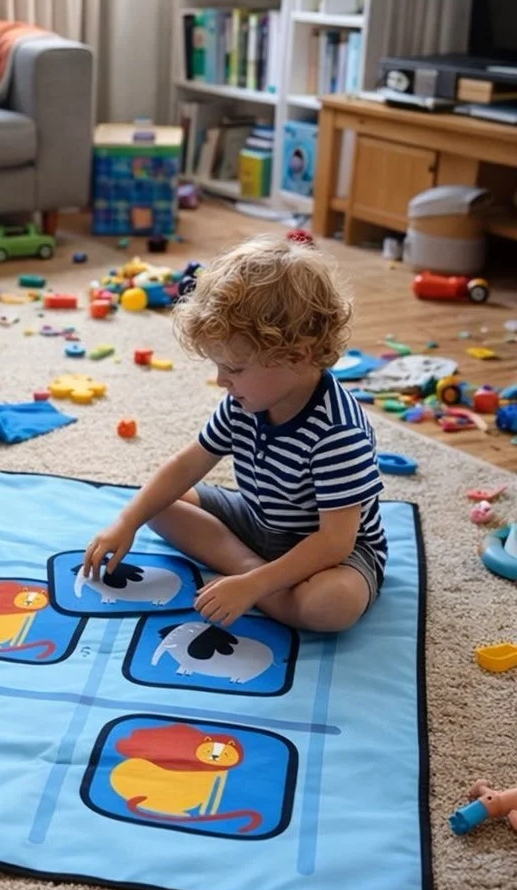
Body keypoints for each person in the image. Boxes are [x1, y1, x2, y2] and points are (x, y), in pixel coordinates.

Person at [83, 235, 386, 633]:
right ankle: (254, 571)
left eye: (236, 369)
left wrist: (251, 586)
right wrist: (127, 520)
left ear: (296, 355)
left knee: (332, 606)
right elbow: (187, 464)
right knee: (156, 503)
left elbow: (335, 543)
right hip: (260, 521)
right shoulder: (243, 401)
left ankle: (260, 583)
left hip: (330, 553)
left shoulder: (337, 434)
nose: (221, 380)